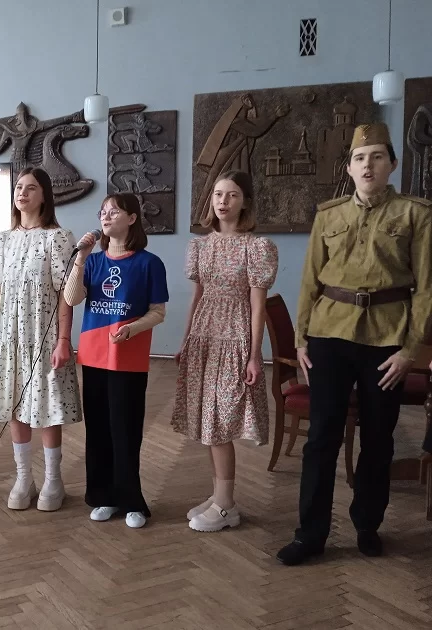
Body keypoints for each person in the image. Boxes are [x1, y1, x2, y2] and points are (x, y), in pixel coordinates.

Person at [277, 122, 432, 566]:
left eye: (377, 157)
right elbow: (310, 280)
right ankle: (310, 534)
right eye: (360, 158)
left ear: (392, 164)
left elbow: (425, 289)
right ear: (349, 167)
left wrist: (410, 351)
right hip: (329, 335)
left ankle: (367, 523)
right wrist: (301, 338)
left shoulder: (415, 214)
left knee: (379, 437)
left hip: (387, 340)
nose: (368, 165)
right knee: (321, 438)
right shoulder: (329, 215)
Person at [171, 170, 278, 533]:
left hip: (234, 337)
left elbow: (258, 306)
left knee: (219, 422)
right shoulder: (200, 246)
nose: (223, 201)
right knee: (206, 420)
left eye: (232, 195)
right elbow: (197, 296)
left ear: (244, 202)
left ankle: (227, 506)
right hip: (204, 335)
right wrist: (185, 340)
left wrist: (254, 354)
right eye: (218, 194)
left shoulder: (256, 247)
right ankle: (219, 495)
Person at [64, 193, 169, 529]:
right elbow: (72, 298)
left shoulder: (149, 263)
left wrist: (132, 328)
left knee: (125, 430)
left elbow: (158, 312)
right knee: (98, 431)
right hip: (94, 356)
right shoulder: (93, 261)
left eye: (114, 211)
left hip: (128, 359)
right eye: (103, 212)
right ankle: (103, 497)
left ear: (132, 218)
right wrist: (81, 258)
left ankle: (131, 501)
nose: (106, 216)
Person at [0, 167, 81, 512]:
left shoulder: (58, 237)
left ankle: (54, 480)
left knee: (48, 408)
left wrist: (63, 340)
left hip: (44, 335)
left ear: (44, 196)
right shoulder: (4, 239)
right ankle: (23, 478)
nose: (22, 193)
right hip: (10, 338)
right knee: (16, 406)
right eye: (18, 188)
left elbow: (66, 293)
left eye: (30, 188)